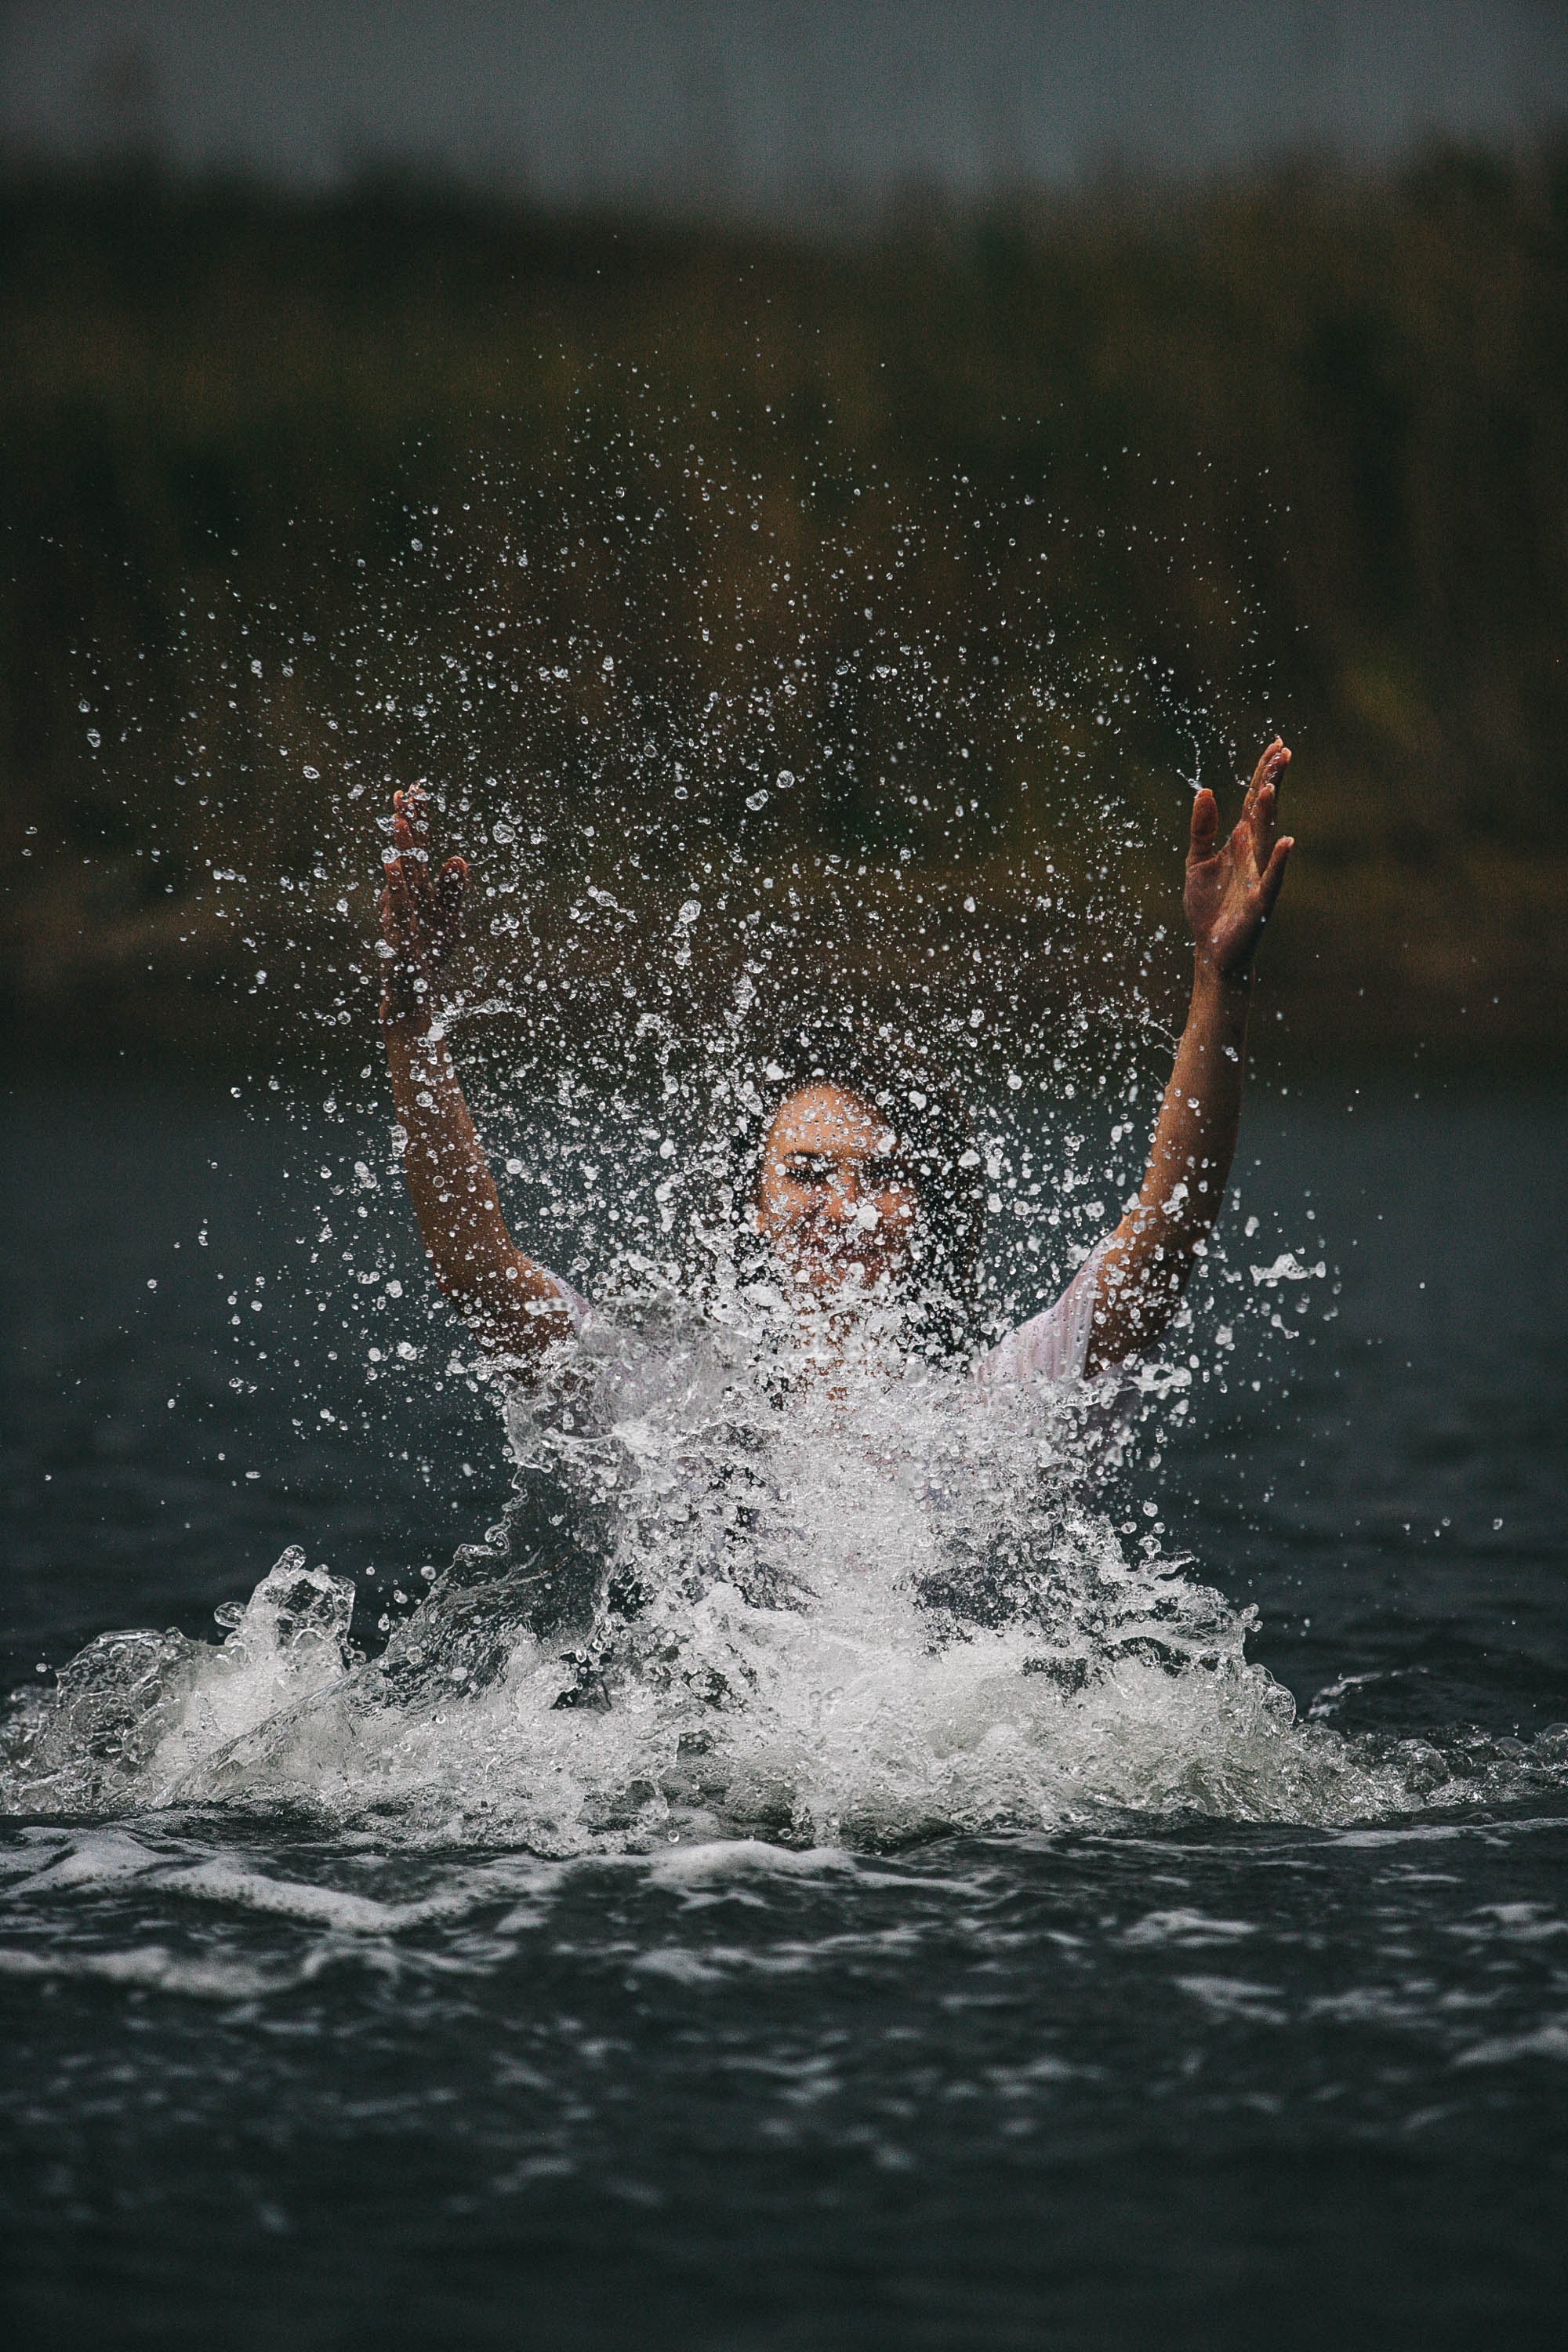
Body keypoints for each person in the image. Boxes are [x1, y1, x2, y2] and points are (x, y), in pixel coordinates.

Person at [376, 739, 1293, 1389]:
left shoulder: (995, 1408)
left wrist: (1220, 981)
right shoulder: (668, 1423)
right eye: (807, 1173)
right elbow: (482, 1277)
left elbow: (1160, 1246)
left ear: (929, 1206)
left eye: (885, 1175)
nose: (848, 1209)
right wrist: (412, 1027)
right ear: (751, 1200)